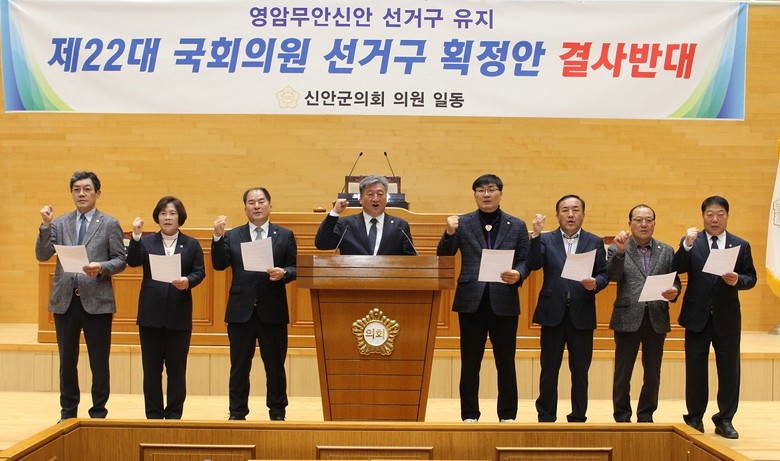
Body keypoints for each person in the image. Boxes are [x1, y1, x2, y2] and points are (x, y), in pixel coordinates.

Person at [436, 174, 530, 423]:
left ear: (500, 193)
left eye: (491, 189)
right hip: (471, 301)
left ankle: (507, 415)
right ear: (475, 194)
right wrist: (449, 233)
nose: (486, 194)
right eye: (480, 190)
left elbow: (525, 259)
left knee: (506, 361)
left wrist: (519, 273)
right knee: (470, 361)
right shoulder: (463, 223)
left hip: (504, 299)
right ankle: (469, 414)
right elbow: (444, 255)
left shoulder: (517, 225)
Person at [35, 171, 127, 421]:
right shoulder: (59, 223)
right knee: (67, 361)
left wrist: (101, 267)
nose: (81, 194)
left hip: (97, 301)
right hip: (65, 301)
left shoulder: (109, 223)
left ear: (97, 193)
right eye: (76, 190)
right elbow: (42, 255)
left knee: (99, 361)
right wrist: (45, 226)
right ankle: (68, 413)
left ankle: (98, 412)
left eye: (87, 189)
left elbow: (120, 260)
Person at [673, 195, 757, 439]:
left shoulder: (740, 244)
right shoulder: (692, 242)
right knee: (695, 370)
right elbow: (677, 267)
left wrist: (738, 280)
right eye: (710, 214)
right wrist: (686, 245)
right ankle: (694, 417)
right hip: (696, 316)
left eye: (720, 214)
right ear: (703, 216)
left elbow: (751, 278)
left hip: (727, 317)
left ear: (727, 216)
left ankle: (725, 419)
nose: (715, 219)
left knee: (729, 370)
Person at [211, 187, 297, 421]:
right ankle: (237, 412)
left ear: (270, 206)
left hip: (273, 310)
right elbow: (219, 264)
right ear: (245, 208)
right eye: (251, 202)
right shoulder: (233, 236)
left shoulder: (284, 235)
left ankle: (277, 412)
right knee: (239, 366)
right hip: (241, 311)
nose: (256, 206)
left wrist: (284, 273)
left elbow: (295, 267)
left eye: (261, 201)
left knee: (275, 366)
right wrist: (217, 237)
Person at [528, 194, 608, 423]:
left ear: (583, 214)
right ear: (557, 215)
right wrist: (535, 235)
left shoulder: (594, 241)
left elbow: (603, 273)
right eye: (565, 210)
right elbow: (534, 264)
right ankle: (546, 415)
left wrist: (596, 283)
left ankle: (578, 415)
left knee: (580, 371)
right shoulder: (546, 239)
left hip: (582, 313)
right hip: (552, 313)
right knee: (549, 369)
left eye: (575, 209)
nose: (570, 214)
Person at [126, 196, 206, 419]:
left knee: (177, 370)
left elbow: (199, 272)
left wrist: (187, 281)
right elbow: (133, 261)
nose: (167, 217)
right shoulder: (147, 242)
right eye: (163, 213)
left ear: (180, 217)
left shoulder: (191, 244)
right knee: (151, 370)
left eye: (172, 213)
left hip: (179, 316)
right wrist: (136, 236)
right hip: (150, 315)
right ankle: (153, 416)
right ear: (157, 217)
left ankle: (173, 416)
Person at [607, 204, 680, 423]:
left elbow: (674, 279)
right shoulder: (617, 247)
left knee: (653, 373)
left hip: (656, 317)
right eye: (638, 220)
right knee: (623, 373)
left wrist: (674, 290)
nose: (644, 224)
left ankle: (646, 415)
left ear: (654, 223)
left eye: (648, 220)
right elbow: (612, 275)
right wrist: (620, 252)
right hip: (627, 317)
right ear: (630, 223)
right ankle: (622, 415)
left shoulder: (666, 250)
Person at [314, 175, 416, 255]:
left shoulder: (400, 226)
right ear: (360, 199)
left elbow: (410, 259)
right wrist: (334, 213)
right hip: (354, 275)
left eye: (380, 194)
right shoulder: (346, 225)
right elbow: (322, 244)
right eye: (370, 194)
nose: (375, 199)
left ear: (386, 199)